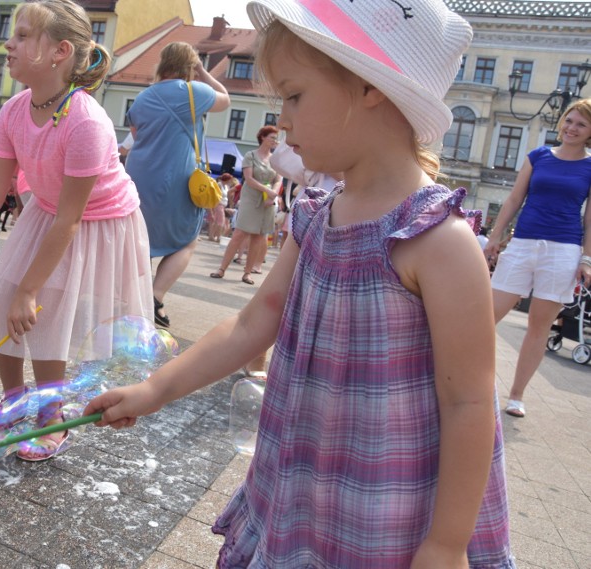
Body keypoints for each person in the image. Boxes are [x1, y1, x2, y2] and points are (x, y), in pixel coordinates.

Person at [87, 0, 515, 566]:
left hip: (390, 512)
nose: (282, 119)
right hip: (302, 489)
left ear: (369, 86)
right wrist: (154, 390)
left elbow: (468, 402)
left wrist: (447, 543)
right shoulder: (316, 215)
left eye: (294, 95)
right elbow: (251, 321)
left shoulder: (438, 241)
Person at [0, 0, 153, 462]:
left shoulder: (87, 121)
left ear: (59, 52)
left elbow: (71, 220)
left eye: (24, 35)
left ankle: (50, 415)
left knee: (44, 311)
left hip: (95, 221)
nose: (9, 43)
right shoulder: (14, 110)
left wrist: (29, 290)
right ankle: (14, 401)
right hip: (47, 211)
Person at [485, 98, 591, 419]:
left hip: (563, 251)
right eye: (569, 120)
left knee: (539, 326)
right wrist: (494, 237)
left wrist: (587, 259)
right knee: (487, 315)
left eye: (581, 124)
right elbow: (515, 198)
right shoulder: (538, 157)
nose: (572, 127)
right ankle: (470, 380)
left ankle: (516, 395)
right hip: (523, 244)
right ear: (562, 122)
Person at [125, 41, 230, 328]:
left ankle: (137, 302)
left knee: (141, 239)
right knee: (186, 239)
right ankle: (155, 297)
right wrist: (202, 72)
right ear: (190, 66)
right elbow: (226, 99)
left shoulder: (143, 97)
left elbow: (135, 134)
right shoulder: (196, 92)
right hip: (176, 177)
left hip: (139, 174)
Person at [209, 126, 281, 285]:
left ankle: (247, 273)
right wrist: (267, 191)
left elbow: (278, 180)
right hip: (251, 198)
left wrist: (273, 194)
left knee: (258, 237)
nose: (275, 141)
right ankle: (221, 269)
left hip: (267, 202)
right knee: (239, 234)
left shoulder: (276, 160)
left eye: (276, 139)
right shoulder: (251, 155)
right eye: (272, 137)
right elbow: (248, 179)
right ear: (262, 137)